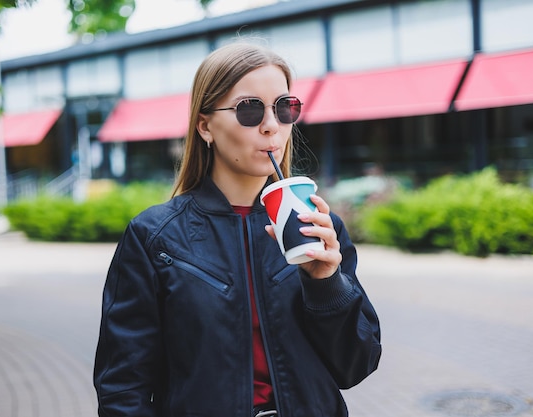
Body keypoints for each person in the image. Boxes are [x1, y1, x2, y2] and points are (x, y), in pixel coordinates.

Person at [93, 41, 382, 417]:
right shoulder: (155, 237)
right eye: (249, 109)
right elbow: (122, 390)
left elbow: (356, 365)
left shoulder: (320, 228)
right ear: (205, 126)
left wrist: (327, 282)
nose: (270, 126)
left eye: (284, 108)